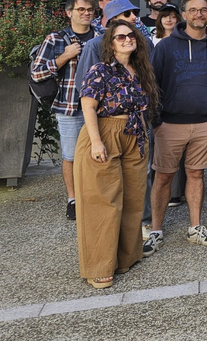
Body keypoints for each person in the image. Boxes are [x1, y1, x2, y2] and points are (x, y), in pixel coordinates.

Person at [143, 0, 207, 257]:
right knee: (163, 177)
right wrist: (156, 120)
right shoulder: (166, 47)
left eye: (204, 10)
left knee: (196, 174)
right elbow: (152, 84)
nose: (198, 15)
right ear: (184, 14)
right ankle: (156, 230)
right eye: (193, 10)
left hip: (205, 124)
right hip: (170, 124)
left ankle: (195, 227)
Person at [74, 20, 159, 289]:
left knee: (133, 198)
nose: (127, 40)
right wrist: (97, 142)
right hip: (105, 132)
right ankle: (99, 266)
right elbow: (88, 106)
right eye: (120, 37)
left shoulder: (140, 70)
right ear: (110, 43)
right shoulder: (100, 70)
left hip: (134, 133)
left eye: (130, 36)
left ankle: (126, 256)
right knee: (104, 201)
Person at [30, 0, 100, 220]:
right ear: (69, 13)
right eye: (81, 9)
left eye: (90, 9)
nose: (86, 13)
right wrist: (64, 57)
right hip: (70, 107)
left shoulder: (102, 36)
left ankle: (94, 197)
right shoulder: (56, 38)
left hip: (101, 108)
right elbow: (36, 72)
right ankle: (73, 200)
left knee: (99, 153)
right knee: (70, 156)